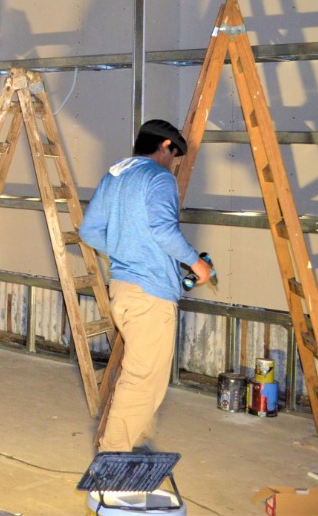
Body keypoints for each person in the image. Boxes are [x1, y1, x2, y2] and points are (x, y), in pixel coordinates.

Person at [80, 119, 212, 453]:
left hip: (122, 289)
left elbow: (89, 231)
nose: (172, 163)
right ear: (165, 146)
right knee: (142, 380)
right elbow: (164, 231)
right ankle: (112, 457)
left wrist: (126, 250)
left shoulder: (115, 175)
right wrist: (197, 264)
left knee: (144, 375)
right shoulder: (159, 177)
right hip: (150, 294)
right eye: (174, 156)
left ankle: (136, 441)